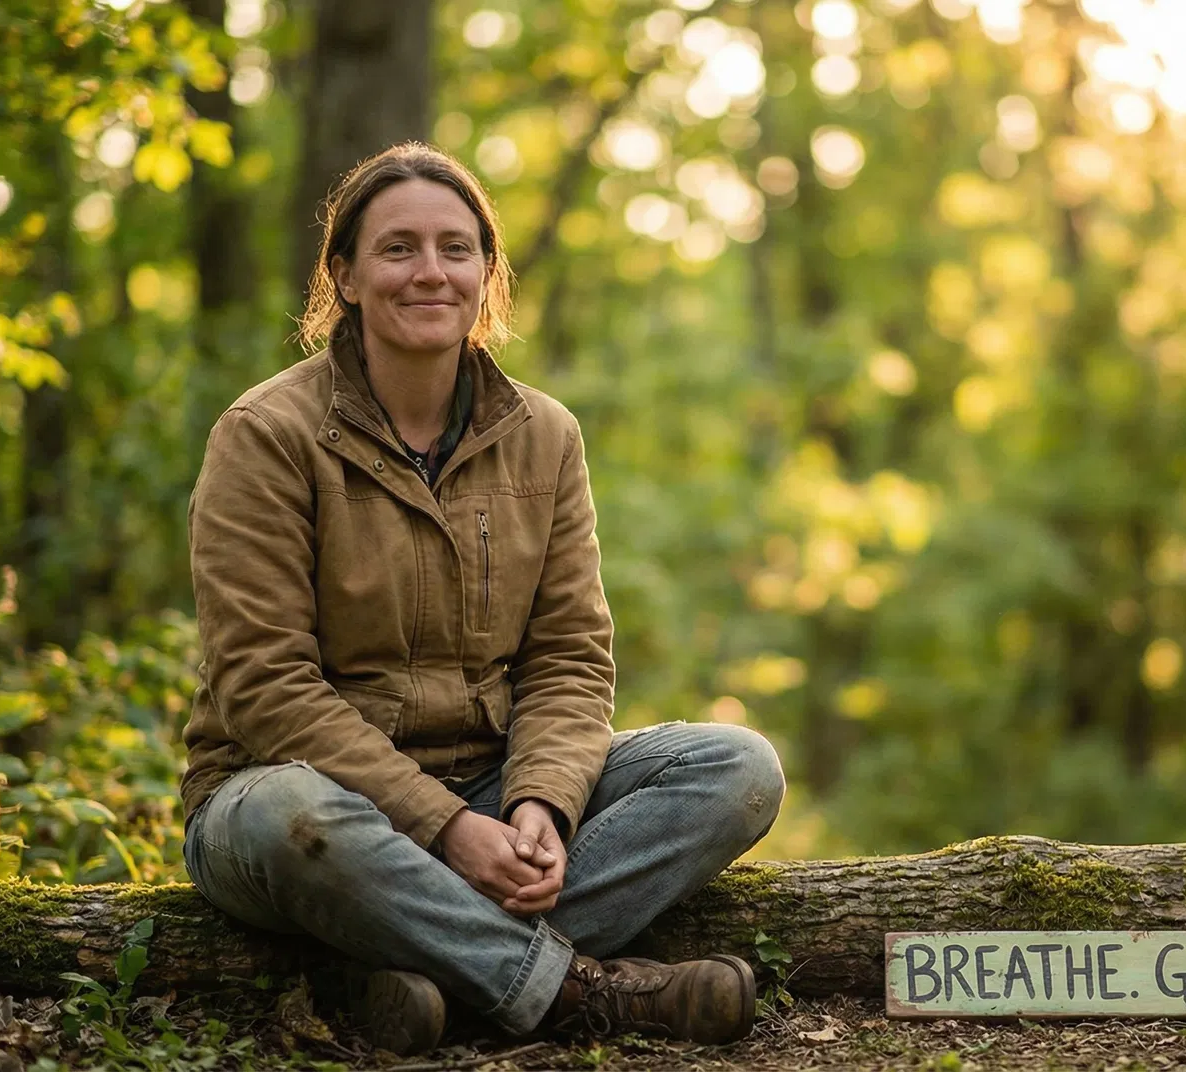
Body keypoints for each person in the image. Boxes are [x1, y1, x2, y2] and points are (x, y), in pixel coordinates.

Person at [177, 141, 786, 1055]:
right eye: (398, 249)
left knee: (736, 770)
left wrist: (539, 806)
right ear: (342, 274)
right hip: (298, 799)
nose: (431, 272)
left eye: (456, 249)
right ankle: (576, 991)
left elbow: (569, 659)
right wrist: (445, 826)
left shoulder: (546, 436)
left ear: (486, 273)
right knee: (288, 819)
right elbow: (265, 689)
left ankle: (398, 970)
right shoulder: (265, 436)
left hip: (493, 781)